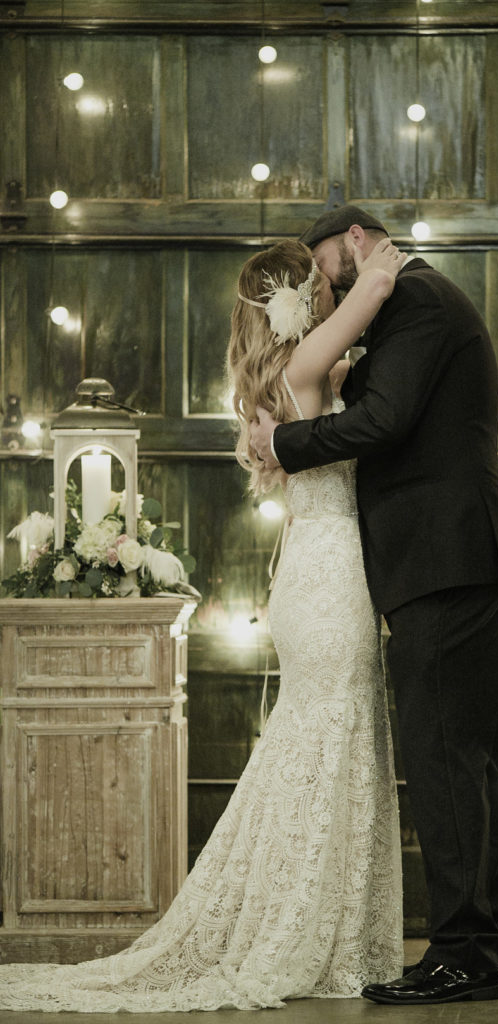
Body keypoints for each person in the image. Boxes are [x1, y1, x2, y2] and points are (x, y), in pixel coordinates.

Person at [0, 236, 407, 1012]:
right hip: (327, 572)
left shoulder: (290, 372)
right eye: (317, 284)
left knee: (325, 737)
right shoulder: (305, 363)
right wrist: (377, 258)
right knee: (333, 736)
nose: (330, 290)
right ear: (295, 298)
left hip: (313, 568)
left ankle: (321, 919)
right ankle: (309, 925)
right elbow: (375, 292)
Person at [250, 205, 498, 1005]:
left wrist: (285, 445)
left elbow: (384, 419)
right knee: (467, 758)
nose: (324, 279)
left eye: (327, 262)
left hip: (443, 557)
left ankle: (461, 952)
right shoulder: (409, 303)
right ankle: (490, 943)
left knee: (444, 757)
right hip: (452, 554)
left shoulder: (415, 300)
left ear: (356, 239)